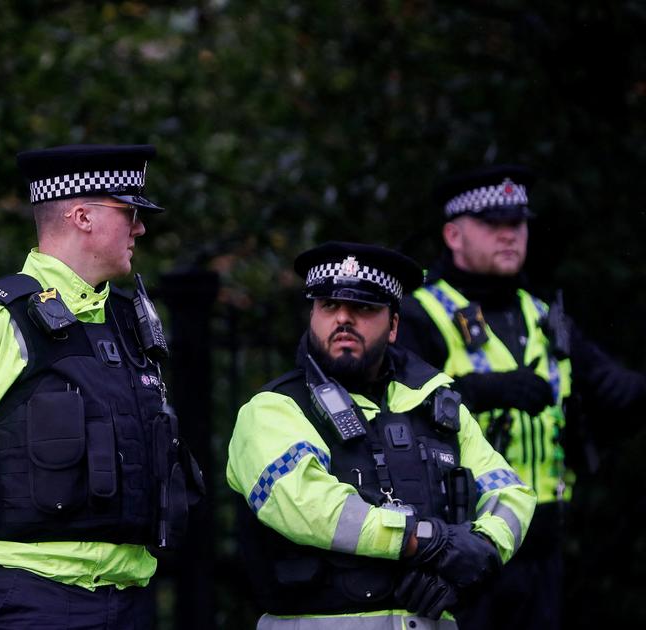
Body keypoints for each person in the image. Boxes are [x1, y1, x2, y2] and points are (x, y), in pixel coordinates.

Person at [0, 144, 203, 629]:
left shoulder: (129, 323)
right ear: (82, 216)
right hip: (29, 604)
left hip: (131, 604)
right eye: (129, 211)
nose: (140, 226)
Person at [227, 241, 536, 629]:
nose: (343, 319)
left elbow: (511, 494)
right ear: (313, 315)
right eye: (329, 306)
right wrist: (427, 541)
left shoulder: (437, 404)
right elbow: (310, 506)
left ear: (392, 326)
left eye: (363, 308)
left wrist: (480, 550)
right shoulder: (273, 409)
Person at [395, 164, 646, 629]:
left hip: (543, 549)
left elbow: (618, 392)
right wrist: (484, 392)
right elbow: (394, 416)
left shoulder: (545, 318)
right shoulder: (419, 313)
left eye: (518, 224)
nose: (510, 236)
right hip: (460, 547)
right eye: (493, 225)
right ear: (453, 234)